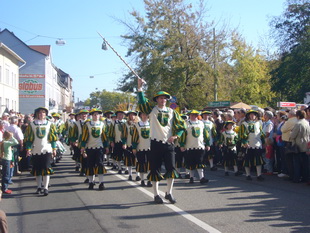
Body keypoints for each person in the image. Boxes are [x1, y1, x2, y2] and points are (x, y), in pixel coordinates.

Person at [137, 78, 186, 204]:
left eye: (165, 98)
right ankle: (156, 194)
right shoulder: (151, 110)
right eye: (160, 98)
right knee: (155, 169)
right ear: (156, 100)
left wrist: (175, 136)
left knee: (171, 169)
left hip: (168, 144)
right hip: (155, 144)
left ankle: (169, 193)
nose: (163, 100)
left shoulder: (172, 112)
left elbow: (182, 126)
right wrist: (140, 88)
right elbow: (142, 102)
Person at [24, 107, 57, 196]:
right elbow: (29, 139)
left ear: (46, 114)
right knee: (37, 169)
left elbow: (53, 138)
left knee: (46, 168)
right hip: (36, 149)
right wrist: (28, 149)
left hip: (47, 149)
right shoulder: (32, 125)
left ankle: (45, 187)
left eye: (43, 112)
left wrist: (54, 149)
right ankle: (39, 186)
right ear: (36, 114)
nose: (41, 114)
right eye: (39, 113)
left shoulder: (50, 124)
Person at [80, 108, 109, 190]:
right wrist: (83, 147)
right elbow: (84, 137)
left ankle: (101, 183)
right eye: (94, 114)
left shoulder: (102, 124)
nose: (96, 116)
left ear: (100, 116)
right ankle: (91, 182)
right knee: (90, 165)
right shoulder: (87, 125)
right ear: (92, 116)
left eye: (97, 114)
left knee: (100, 164)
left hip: (99, 147)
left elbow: (104, 137)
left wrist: (106, 146)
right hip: (90, 147)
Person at [179, 110, 209, 184]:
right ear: (189, 115)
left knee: (200, 162)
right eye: (192, 115)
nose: (194, 116)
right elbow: (183, 135)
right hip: (190, 146)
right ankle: (191, 177)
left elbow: (205, 134)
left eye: (195, 115)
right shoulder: (186, 123)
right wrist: (182, 145)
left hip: (200, 146)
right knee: (191, 163)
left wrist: (207, 144)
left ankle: (202, 177)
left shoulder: (201, 123)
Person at [239, 110, 265, 181]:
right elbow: (242, 134)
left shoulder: (258, 123)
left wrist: (263, 142)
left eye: (254, 114)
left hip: (257, 144)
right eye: (251, 114)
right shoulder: (244, 124)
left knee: (258, 160)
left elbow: (261, 133)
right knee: (248, 160)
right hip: (248, 145)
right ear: (248, 116)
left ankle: (259, 175)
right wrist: (245, 142)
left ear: (256, 116)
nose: (252, 116)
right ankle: (248, 175)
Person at [132, 112, 152, 187]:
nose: (145, 116)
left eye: (146, 115)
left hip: (150, 147)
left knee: (150, 164)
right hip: (140, 147)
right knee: (141, 163)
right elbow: (134, 137)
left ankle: (149, 180)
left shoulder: (152, 125)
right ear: (140, 115)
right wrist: (134, 147)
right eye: (143, 115)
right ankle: (142, 180)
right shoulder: (136, 125)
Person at [289, 110, 310, 183]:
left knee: (297, 163)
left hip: (298, 144)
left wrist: (290, 133)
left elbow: (293, 135)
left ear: (298, 116)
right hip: (306, 143)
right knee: (305, 163)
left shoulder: (298, 124)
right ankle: (305, 177)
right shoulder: (307, 123)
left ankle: (296, 178)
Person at [69, 109, 89, 178]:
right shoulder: (76, 124)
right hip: (81, 143)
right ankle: (83, 170)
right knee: (83, 157)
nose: (84, 115)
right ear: (80, 115)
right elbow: (73, 133)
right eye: (83, 114)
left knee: (89, 158)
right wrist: (74, 141)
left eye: (85, 114)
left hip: (90, 142)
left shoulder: (90, 122)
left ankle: (89, 172)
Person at [281, 109, 298, 179]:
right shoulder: (297, 120)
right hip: (295, 141)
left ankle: (291, 175)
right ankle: (296, 175)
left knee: (289, 160)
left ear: (290, 115)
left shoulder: (289, 121)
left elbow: (282, 129)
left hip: (288, 141)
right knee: (295, 160)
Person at [122, 111, 139, 181]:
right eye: (130, 115)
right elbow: (124, 135)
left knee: (137, 160)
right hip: (129, 144)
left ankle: (137, 175)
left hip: (138, 145)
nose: (132, 116)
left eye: (133, 115)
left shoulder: (138, 124)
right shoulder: (125, 124)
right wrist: (124, 143)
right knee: (129, 160)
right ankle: (130, 174)